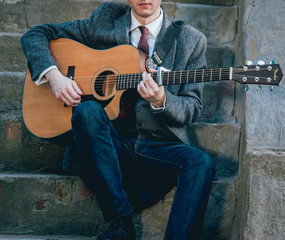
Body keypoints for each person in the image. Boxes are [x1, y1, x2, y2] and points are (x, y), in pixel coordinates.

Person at [21, 1, 215, 239]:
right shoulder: (106, 19)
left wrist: (162, 98)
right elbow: (35, 34)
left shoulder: (191, 40)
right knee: (87, 111)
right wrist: (54, 76)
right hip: (106, 144)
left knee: (201, 162)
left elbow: (192, 108)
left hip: (157, 146)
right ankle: (120, 225)